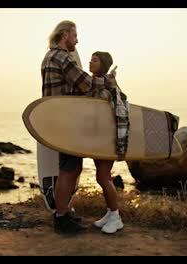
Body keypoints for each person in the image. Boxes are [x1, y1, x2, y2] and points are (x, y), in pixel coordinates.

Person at [41, 20, 117, 234]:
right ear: (65, 35)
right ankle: (61, 217)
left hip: (56, 120)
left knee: (72, 168)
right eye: (75, 35)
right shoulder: (63, 57)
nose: (77, 40)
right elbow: (86, 84)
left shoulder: (48, 57)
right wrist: (108, 80)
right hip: (66, 123)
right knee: (68, 170)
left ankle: (65, 211)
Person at [87, 51, 128, 234]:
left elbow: (119, 114)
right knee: (103, 177)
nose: (90, 62)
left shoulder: (109, 87)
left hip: (108, 139)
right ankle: (110, 214)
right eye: (90, 59)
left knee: (103, 177)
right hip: (98, 139)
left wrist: (120, 146)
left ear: (102, 64)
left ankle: (116, 217)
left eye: (94, 60)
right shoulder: (95, 85)